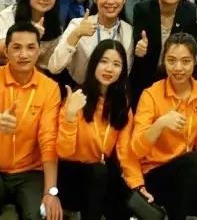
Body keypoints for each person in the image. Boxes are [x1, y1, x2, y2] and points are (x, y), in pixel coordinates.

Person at [0, 22, 63, 220]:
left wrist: (51, 192)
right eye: (16, 48)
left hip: (29, 174)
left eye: (30, 47)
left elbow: (48, 140)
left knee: (41, 215)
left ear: (39, 51)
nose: (23, 54)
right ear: (6, 52)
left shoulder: (50, 88)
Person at [131, 32, 197, 220]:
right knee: (195, 161)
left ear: (195, 61)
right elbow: (136, 148)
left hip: (189, 173)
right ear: (164, 61)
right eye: (171, 60)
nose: (178, 68)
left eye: (185, 61)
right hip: (155, 175)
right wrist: (160, 124)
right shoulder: (150, 95)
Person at [57, 40, 141, 220]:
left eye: (116, 64)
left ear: (123, 70)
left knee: (126, 196)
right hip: (71, 175)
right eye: (104, 61)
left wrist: (138, 185)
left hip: (102, 175)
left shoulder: (122, 104)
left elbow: (125, 152)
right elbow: (64, 152)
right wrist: (70, 115)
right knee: (99, 173)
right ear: (94, 63)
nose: (109, 69)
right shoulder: (77, 98)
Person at [130, 0, 197, 106]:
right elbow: (138, 42)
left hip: (177, 79)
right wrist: (139, 48)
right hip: (145, 79)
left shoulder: (191, 12)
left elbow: (192, 51)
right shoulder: (142, 10)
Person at [50, 0, 134, 86]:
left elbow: (125, 72)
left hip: (113, 92)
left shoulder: (128, 31)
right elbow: (54, 67)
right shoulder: (77, 24)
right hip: (80, 90)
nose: (110, 1)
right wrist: (76, 34)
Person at [0, 0, 63, 72]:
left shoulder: (55, 23)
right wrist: (30, 36)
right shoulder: (10, 14)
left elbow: (51, 65)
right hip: (2, 70)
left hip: (37, 74)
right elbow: (0, 50)